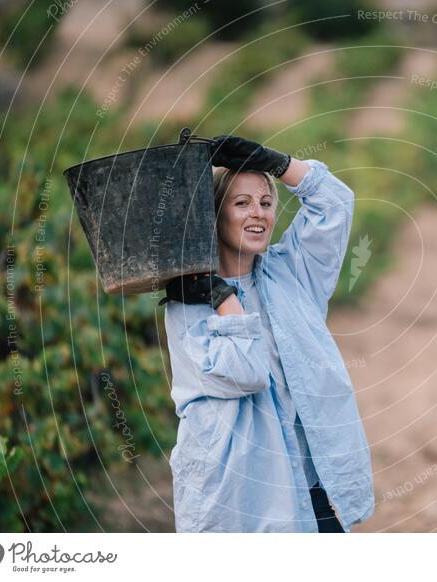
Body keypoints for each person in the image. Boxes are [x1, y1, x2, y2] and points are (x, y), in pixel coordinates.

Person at [160, 135, 374, 532]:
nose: (257, 213)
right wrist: (223, 298)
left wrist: (277, 162)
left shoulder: (293, 272)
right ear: (214, 215)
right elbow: (244, 372)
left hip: (307, 484)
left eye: (266, 202)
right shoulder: (188, 301)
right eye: (241, 203)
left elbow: (335, 204)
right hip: (240, 498)